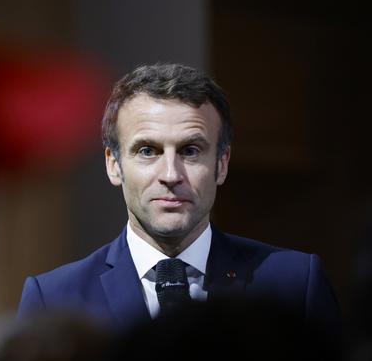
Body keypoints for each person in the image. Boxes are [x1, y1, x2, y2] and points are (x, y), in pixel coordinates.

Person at [17, 63, 340, 333]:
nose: (170, 174)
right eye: (147, 151)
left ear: (221, 164)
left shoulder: (295, 284)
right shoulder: (54, 300)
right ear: (114, 165)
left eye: (190, 150)